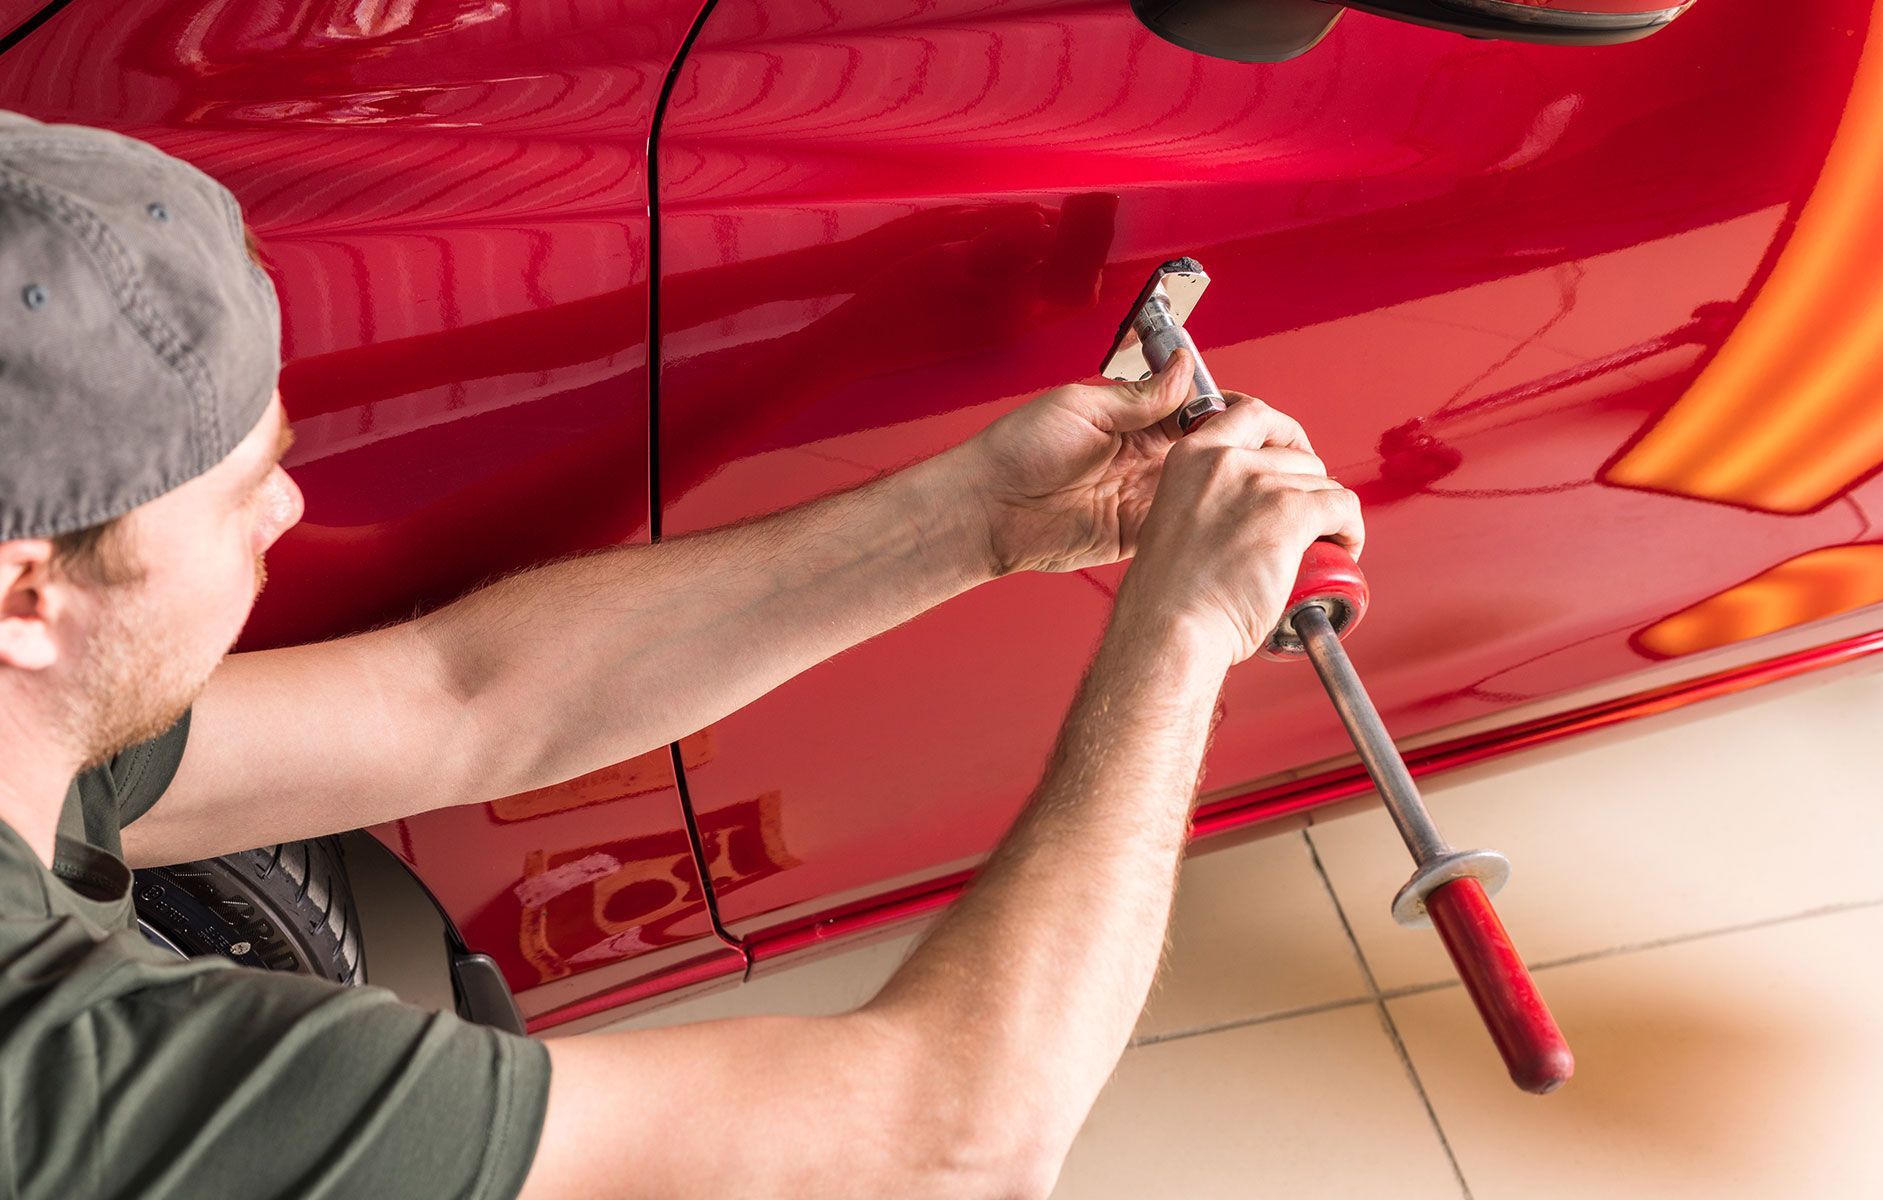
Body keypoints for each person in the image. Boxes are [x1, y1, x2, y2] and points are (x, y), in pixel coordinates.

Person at [0, 111, 1362, 1200]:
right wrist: (1178, 636)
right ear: (29, 592)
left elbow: (462, 698)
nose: (288, 511)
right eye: (246, 489)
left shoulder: (39, 716)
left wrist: (975, 519)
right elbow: (954, 1139)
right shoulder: (85, 1090)